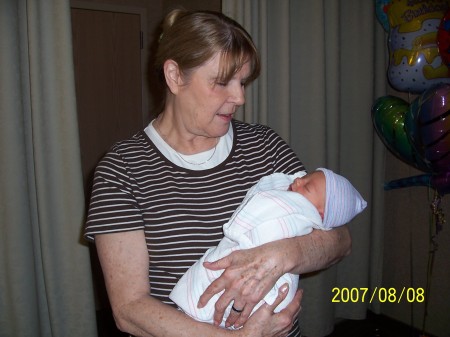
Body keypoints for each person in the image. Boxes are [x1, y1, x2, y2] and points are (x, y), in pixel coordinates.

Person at [84, 9, 352, 337]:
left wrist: (283, 255)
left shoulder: (265, 146)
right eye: (222, 82)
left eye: (242, 81)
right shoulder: (121, 171)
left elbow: (339, 239)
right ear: (175, 76)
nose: (239, 97)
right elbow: (130, 309)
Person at [170, 169, 367, 328]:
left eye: (306, 185)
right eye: (303, 178)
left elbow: (343, 240)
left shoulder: (268, 143)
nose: (298, 181)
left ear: (320, 214)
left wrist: (283, 255)